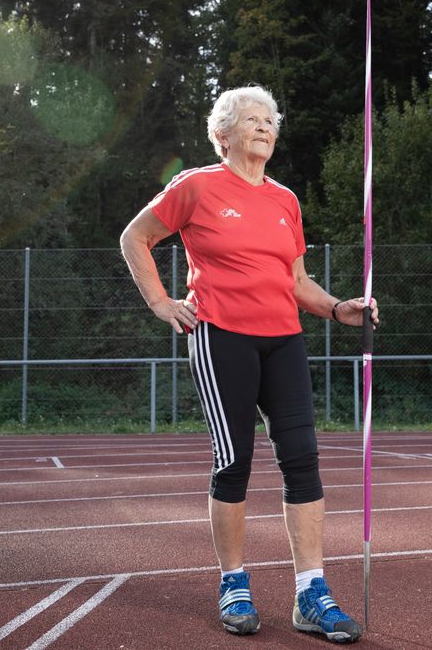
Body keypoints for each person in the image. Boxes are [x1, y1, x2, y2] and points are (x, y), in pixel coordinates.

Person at [119, 85, 376, 644]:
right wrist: (163, 302)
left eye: (270, 121)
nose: (264, 128)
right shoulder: (196, 186)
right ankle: (233, 582)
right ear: (224, 133)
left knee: (303, 462)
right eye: (252, 120)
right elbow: (135, 237)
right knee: (233, 464)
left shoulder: (286, 200)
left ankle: (311, 592)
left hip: (283, 339)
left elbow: (297, 282)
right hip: (220, 338)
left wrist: (338, 309)